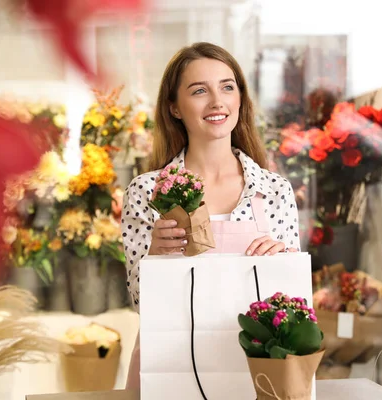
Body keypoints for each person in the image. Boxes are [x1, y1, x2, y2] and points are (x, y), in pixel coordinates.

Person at [120, 42, 301, 390]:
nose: (217, 101)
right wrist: (156, 257)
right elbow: (141, 303)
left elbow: (292, 307)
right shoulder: (147, 192)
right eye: (199, 90)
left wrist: (280, 263)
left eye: (227, 87)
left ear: (240, 99)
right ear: (174, 108)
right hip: (169, 368)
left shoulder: (274, 190)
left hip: (257, 369)